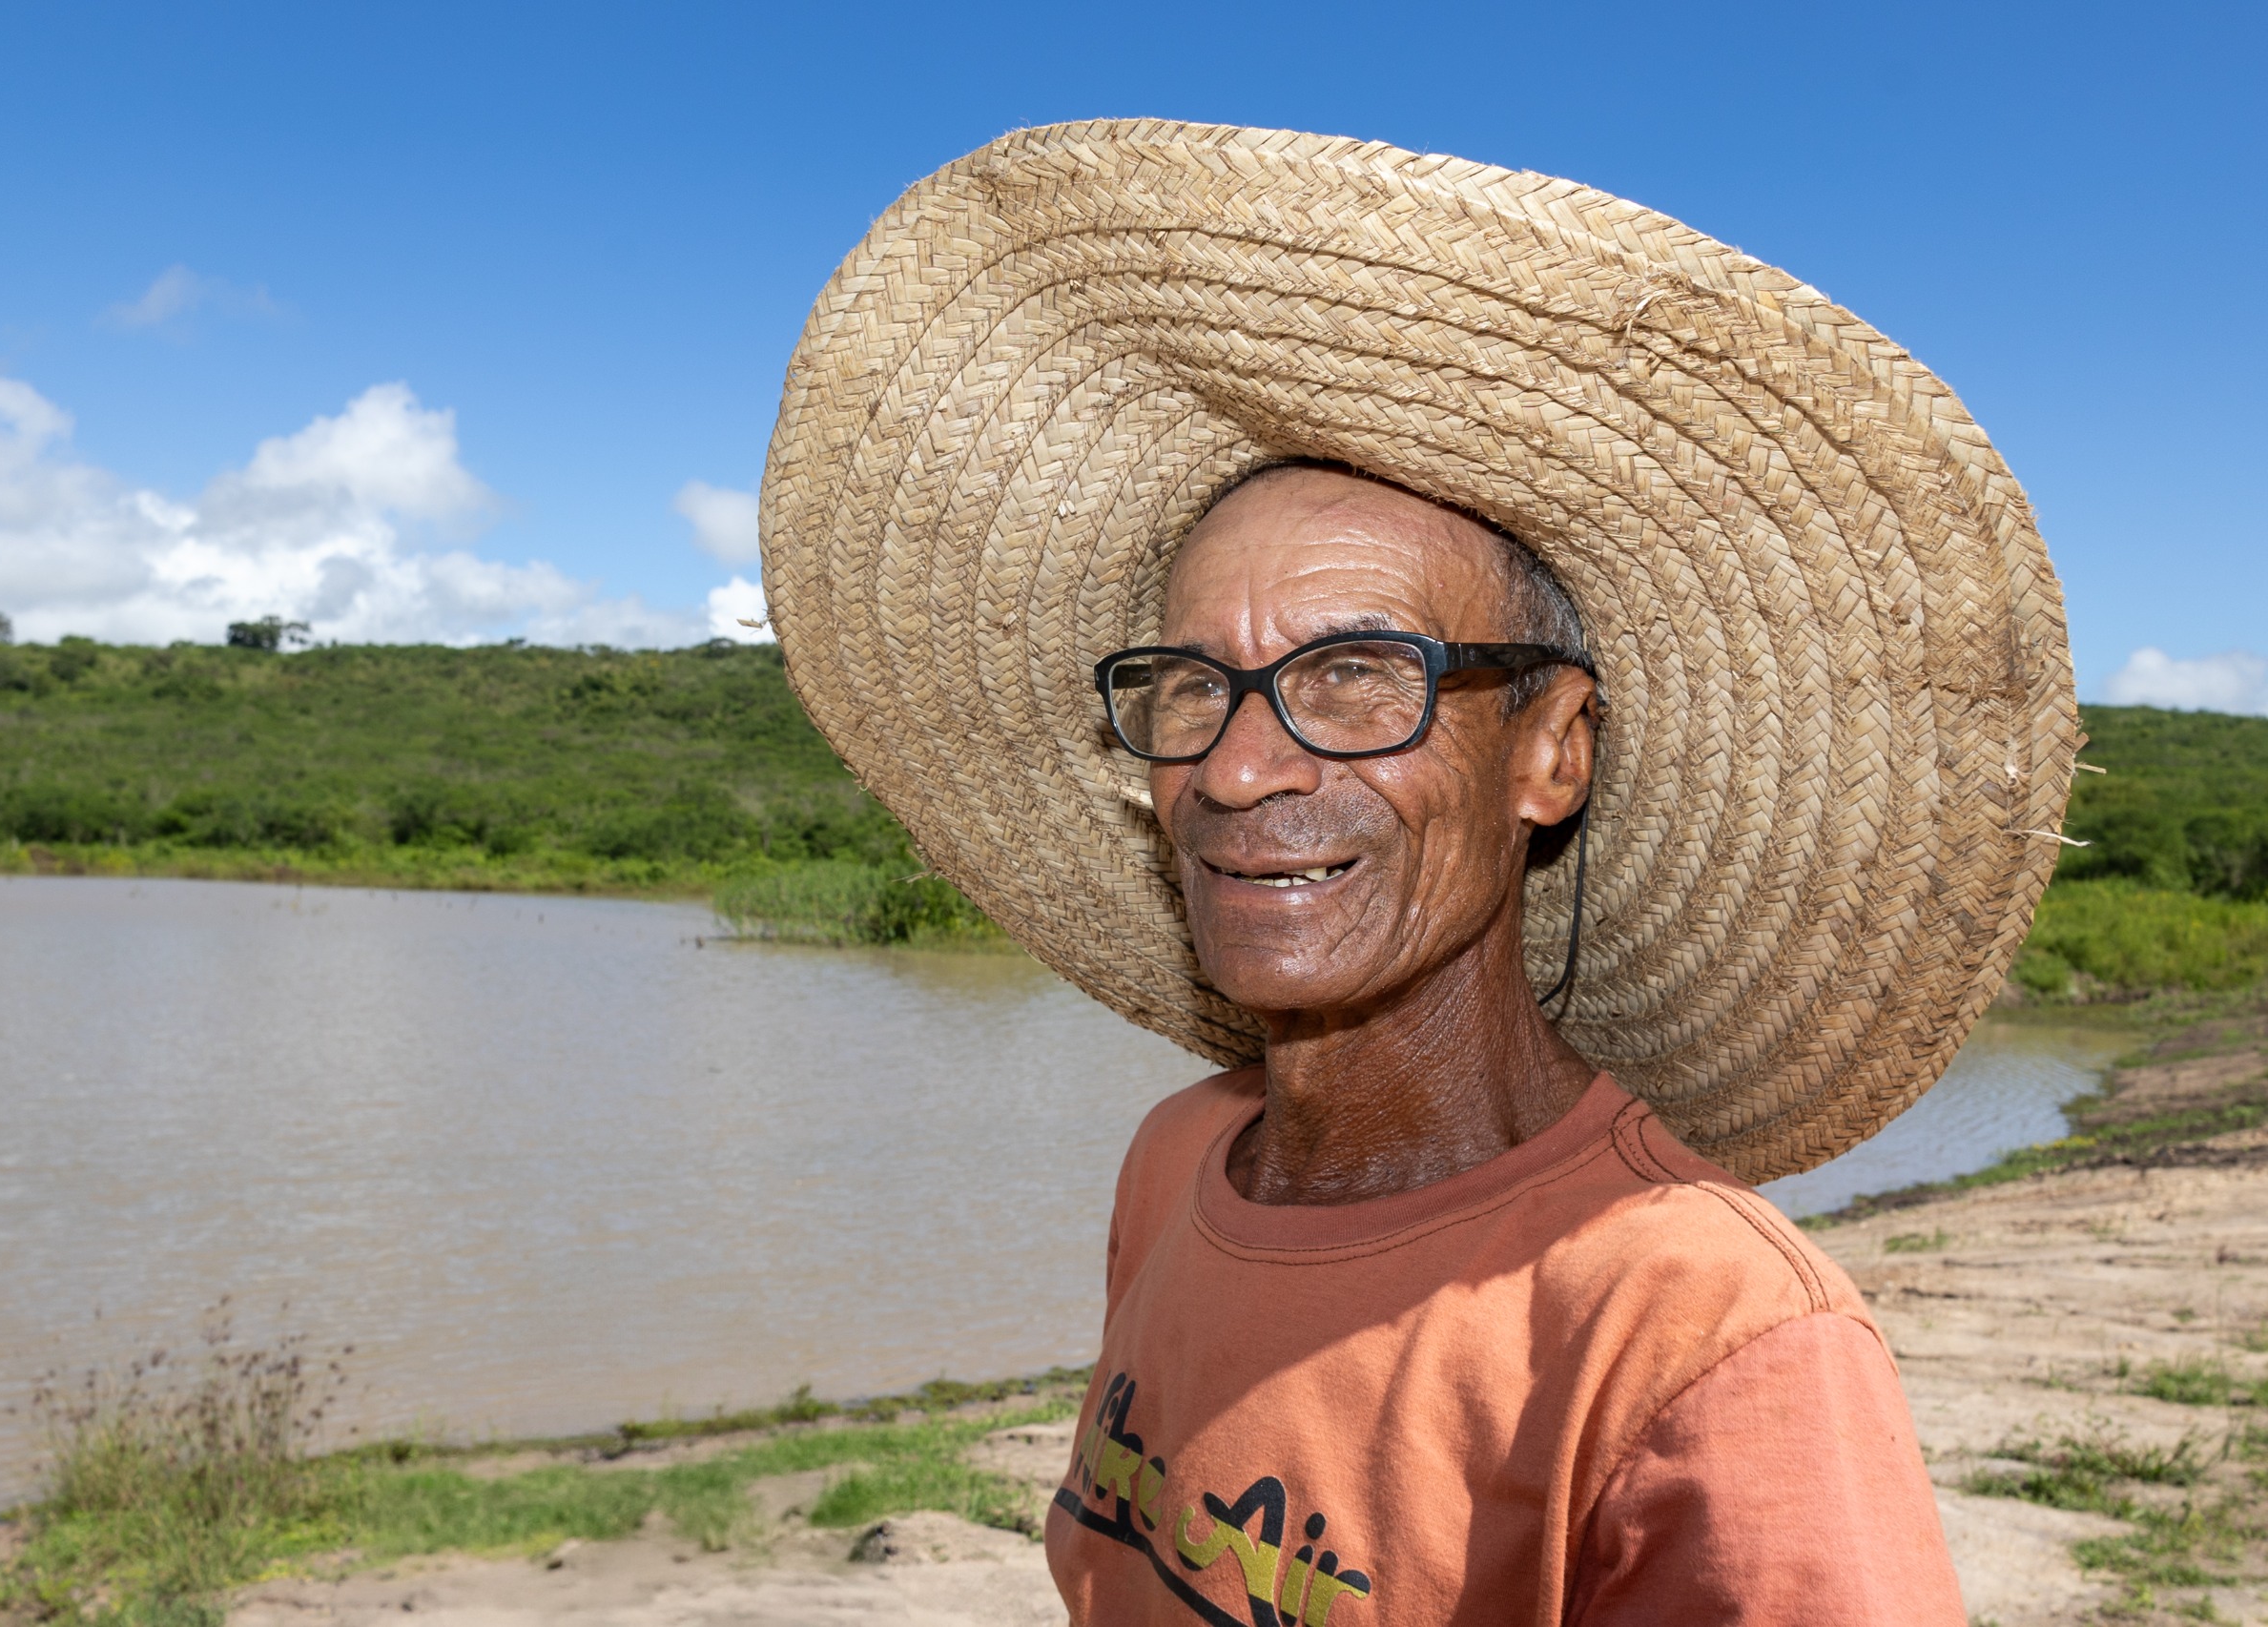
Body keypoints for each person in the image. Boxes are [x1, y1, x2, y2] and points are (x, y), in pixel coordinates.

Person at [759, 120, 2079, 1624]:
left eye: (1355, 675)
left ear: (1550, 754)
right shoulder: (1176, 1165)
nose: (1240, 770)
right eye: (1192, 686)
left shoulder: (1700, 1330)